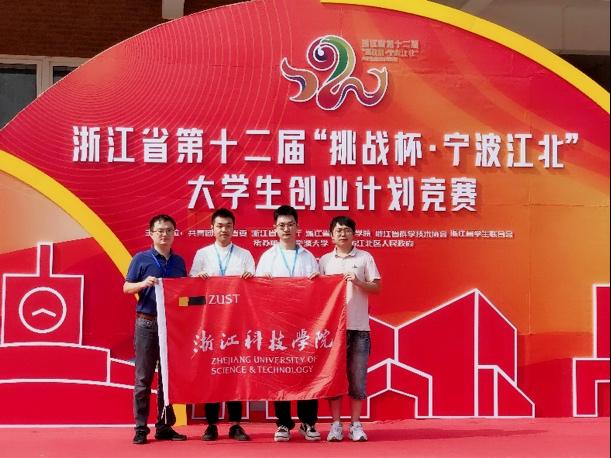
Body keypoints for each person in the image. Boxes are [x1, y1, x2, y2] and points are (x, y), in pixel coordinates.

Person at [255, 205, 321, 442]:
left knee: (306, 372)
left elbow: (319, 292)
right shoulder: (267, 257)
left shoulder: (308, 257)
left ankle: (308, 422)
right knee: (279, 372)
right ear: (274, 228)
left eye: (290, 224)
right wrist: (263, 282)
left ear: (297, 227)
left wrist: (318, 281)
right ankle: (283, 423)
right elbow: (257, 291)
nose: (286, 229)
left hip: (305, 325)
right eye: (281, 225)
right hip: (277, 324)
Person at [190, 208, 255, 442]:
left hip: (237, 323)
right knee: (212, 373)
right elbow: (191, 288)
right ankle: (211, 425)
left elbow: (255, 288)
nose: (224, 230)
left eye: (228, 226)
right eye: (219, 226)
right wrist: (198, 279)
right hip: (210, 324)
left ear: (234, 229)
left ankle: (236, 425)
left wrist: (250, 279)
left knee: (235, 373)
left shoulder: (245, 255)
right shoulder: (202, 254)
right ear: (212, 229)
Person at [123, 214, 188, 445]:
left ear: (174, 234)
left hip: (172, 325)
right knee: (143, 377)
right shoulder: (141, 259)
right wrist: (144, 283)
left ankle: (164, 426)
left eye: (169, 230)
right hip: (147, 323)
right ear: (151, 233)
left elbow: (185, 294)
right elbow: (126, 287)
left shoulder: (179, 262)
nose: (164, 234)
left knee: (167, 380)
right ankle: (141, 428)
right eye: (160, 230)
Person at [318, 216, 381, 442]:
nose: (342, 234)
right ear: (331, 235)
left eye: (346, 230)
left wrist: (358, 282)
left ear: (353, 234)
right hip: (333, 331)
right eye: (338, 231)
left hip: (359, 328)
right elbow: (317, 291)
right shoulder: (324, 261)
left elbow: (377, 287)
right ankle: (335, 424)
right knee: (334, 379)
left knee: (357, 379)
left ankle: (355, 424)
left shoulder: (365, 258)